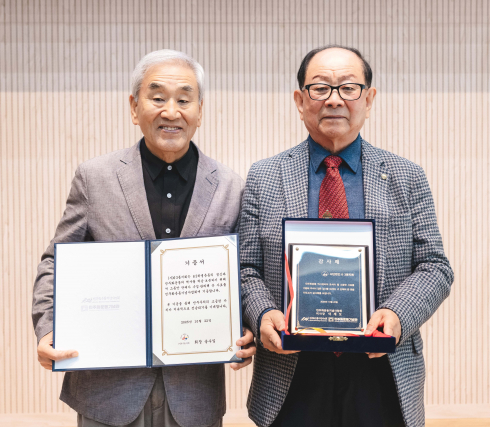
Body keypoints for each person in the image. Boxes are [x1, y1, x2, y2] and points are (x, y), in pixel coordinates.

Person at [32, 49, 255, 427]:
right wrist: (49, 327)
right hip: (107, 392)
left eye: (184, 100)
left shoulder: (231, 186)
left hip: (193, 394)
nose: (171, 111)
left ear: (200, 111)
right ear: (134, 108)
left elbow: (244, 272)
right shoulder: (95, 177)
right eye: (157, 98)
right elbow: (57, 261)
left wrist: (245, 327)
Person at [239, 45, 454, 427]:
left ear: (368, 99)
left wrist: (397, 314)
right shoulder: (264, 177)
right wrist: (263, 313)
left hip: (380, 370)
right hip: (292, 371)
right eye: (320, 88)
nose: (334, 99)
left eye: (348, 88)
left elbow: (435, 267)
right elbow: (246, 268)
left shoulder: (407, 177)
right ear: (300, 101)